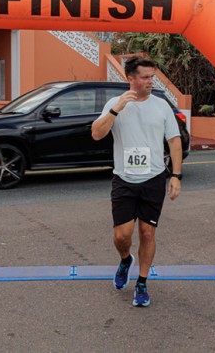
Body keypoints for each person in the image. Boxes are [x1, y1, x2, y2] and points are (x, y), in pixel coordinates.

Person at [91, 56, 183, 307]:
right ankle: (125, 260)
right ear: (130, 78)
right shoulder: (115, 103)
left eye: (152, 77)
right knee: (122, 236)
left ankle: (142, 283)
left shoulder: (161, 105)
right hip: (124, 179)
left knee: (147, 232)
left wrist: (176, 175)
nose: (151, 81)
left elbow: (174, 141)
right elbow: (97, 134)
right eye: (145, 77)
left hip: (153, 178)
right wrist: (116, 109)